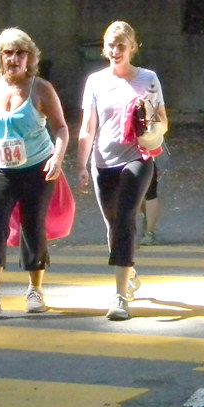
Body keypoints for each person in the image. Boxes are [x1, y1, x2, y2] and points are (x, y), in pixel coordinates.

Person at [0, 28, 69, 316]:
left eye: (20, 53)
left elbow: (60, 128)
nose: (14, 58)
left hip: (37, 168)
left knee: (33, 226)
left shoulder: (41, 88)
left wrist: (57, 159)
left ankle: (35, 291)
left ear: (30, 58)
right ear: (0, 57)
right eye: (8, 53)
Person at [77, 20, 167, 321]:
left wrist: (149, 122)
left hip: (137, 157)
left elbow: (162, 123)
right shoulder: (96, 82)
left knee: (127, 215)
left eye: (121, 46)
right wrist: (81, 165)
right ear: (106, 49)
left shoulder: (148, 79)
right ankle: (128, 269)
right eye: (111, 46)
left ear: (132, 47)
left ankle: (118, 297)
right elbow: (88, 128)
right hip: (103, 161)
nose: (116, 51)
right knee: (114, 224)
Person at [140, 162, 160, 245]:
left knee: (136, 192)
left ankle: (149, 228)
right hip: (144, 157)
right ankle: (150, 233)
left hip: (119, 158)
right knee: (150, 193)